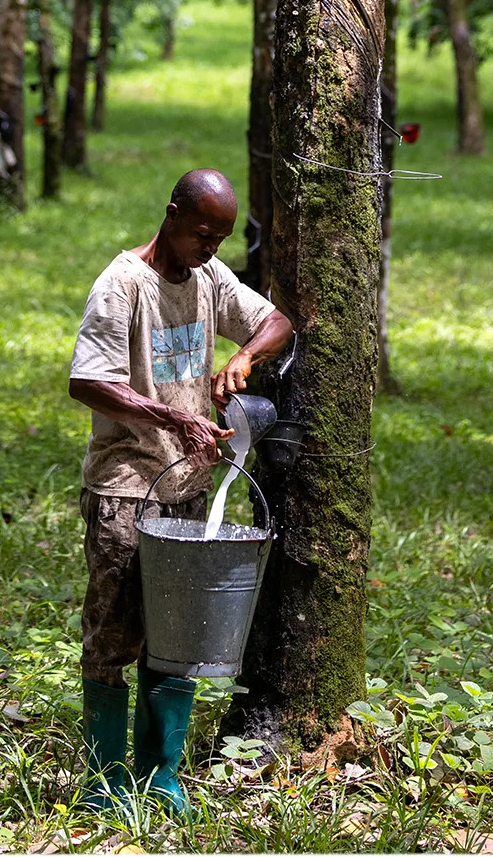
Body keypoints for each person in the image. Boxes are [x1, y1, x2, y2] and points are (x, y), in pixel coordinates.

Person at [67, 168, 293, 813]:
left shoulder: (207, 277)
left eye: (221, 238)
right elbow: (87, 381)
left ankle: (159, 776)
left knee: (180, 636)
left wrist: (244, 357)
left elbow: (276, 320)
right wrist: (172, 416)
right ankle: (104, 784)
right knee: (115, 634)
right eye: (201, 233)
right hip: (126, 486)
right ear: (170, 215)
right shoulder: (122, 286)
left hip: (187, 487)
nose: (211, 248)